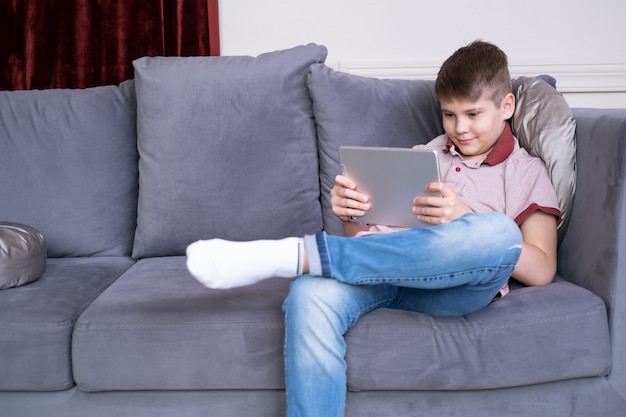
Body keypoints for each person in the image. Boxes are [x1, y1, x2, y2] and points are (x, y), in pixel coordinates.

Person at [186, 40, 561, 417]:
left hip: (454, 288)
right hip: (383, 275)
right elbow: (367, 242)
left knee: (499, 233)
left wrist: (464, 216)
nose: (459, 129)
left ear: (506, 106)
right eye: (449, 115)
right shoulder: (425, 155)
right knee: (309, 293)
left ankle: (296, 253)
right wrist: (352, 216)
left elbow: (542, 269)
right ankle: (305, 259)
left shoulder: (526, 172)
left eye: (473, 114)